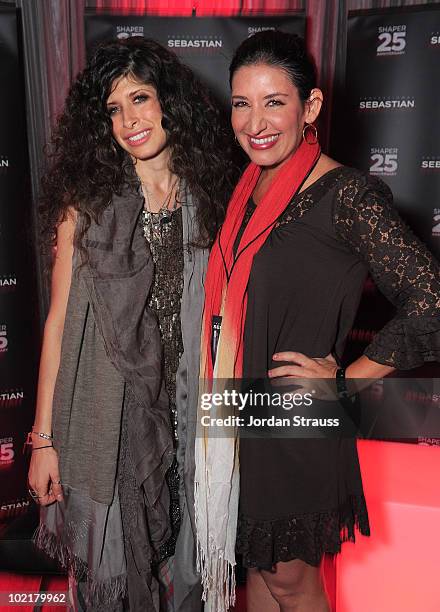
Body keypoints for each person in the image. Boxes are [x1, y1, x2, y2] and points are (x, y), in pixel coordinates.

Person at [195, 31, 440, 612]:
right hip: (238, 408)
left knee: (291, 583)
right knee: (257, 574)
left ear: (310, 107)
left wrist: (345, 379)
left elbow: (432, 299)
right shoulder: (247, 189)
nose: (255, 121)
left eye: (274, 102)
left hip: (295, 416)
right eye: (242, 103)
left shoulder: (349, 195)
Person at [27, 37, 235, 612]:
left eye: (139, 99)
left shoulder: (211, 197)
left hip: (192, 413)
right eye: (114, 110)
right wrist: (44, 441)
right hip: (113, 419)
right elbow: (57, 325)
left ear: (169, 100)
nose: (128, 121)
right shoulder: (88, 203)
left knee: (187, 563)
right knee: (120, 576)